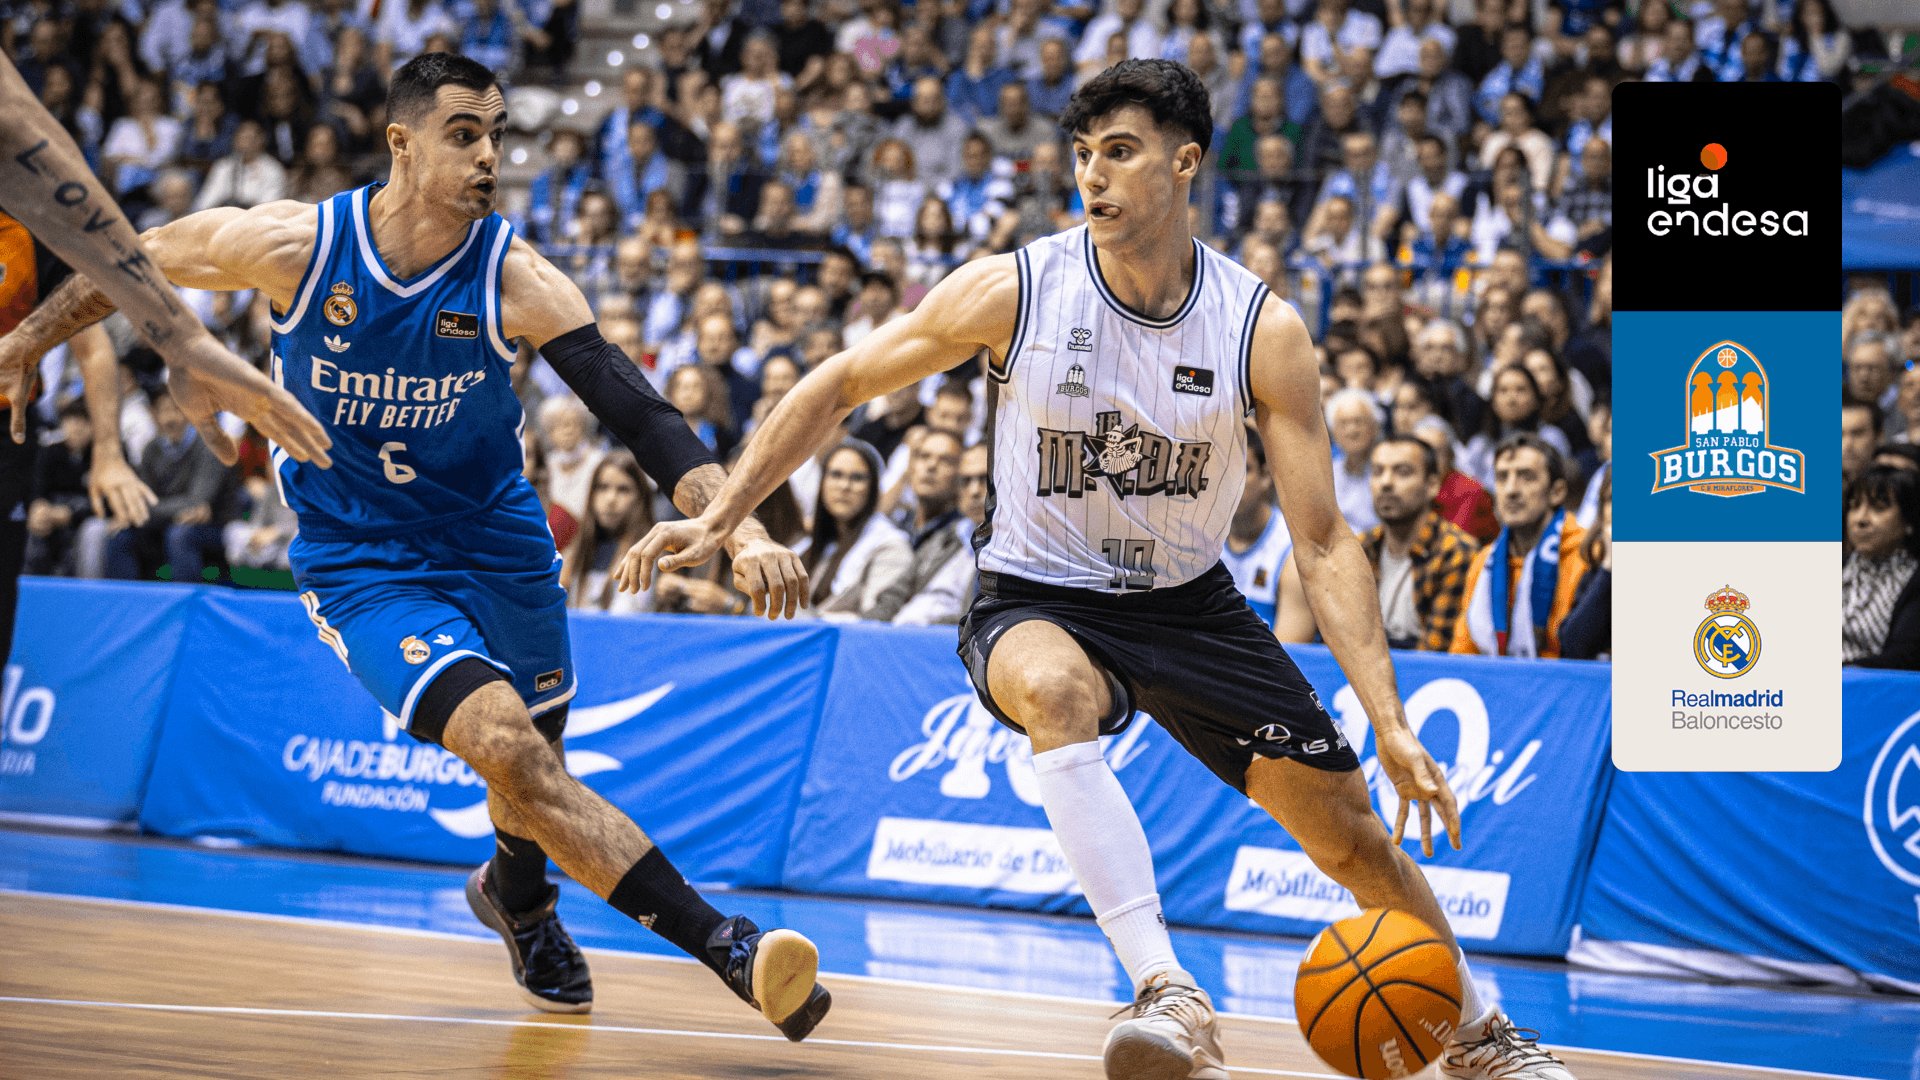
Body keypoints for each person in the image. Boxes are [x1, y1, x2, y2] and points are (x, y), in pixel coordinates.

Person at [630, 59, 1576, 1080]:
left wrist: (1388, 718)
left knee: (1352, 841)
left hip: (1191, 606)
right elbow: (841, 383)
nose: (1093, 174)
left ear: (1185, 162)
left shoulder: (1259, 327)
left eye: (1120, 152)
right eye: (1082, 154)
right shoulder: (1018, 288)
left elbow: (1323, 540)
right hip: (1034, 594)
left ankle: (1480, 1034)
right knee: (1054, 691)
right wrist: (724, 513)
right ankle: (1167, 990)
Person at [3, 53, 831, 1038]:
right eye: (464, 135)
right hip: (364, 563)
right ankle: (729, 946)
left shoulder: (514, 276)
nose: (490, 158)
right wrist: (28, 340)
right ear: (402, 143)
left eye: (498, 137)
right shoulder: (297, 246)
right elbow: (130, 256)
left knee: (535, 768)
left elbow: (644, 418)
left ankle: (518, 900)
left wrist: (738, 527)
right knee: (507, 747)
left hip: (497, 543)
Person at [1450, 433, 1589, 658]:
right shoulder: (1484, 561)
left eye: (1527, 477)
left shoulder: (1587, 554)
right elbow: (1463, 653)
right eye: (1502, 477)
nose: (1511, 490)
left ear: (1557, 492)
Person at [1357, 435, 1478, 650]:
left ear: (1432, 485)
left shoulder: (1455, 551)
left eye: (1402, 472)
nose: (1386, 482)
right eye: (1377, 472)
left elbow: (1435, 654)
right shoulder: (1362, 547)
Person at [796, 440, 911, 618]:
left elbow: (876, 619)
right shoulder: (810, 544)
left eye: (857, 478)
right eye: (836, 475)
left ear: (874, 487)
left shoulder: (890, 547)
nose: (844, 486)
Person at [868, 428, 969, 623]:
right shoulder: (894, 526)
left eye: (945, 460)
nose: (931, 466)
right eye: (923, 456)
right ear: (910, 466)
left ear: (961, 474)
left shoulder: (964, 537)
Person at [1844, 465, 1920, 669]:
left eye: (1878, 508)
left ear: (1909, 522)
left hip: (1872, 684)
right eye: (1854, 506)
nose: (1861, 519)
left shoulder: (1913, 580)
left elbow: (1905, 656)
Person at [1220, 427, 1294, 628]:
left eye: (1243, 469)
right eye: (1222, 470)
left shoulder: (1291, 552)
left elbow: (1289, 646)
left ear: (1266, 476)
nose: (1231, 481)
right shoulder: (1201, 541)